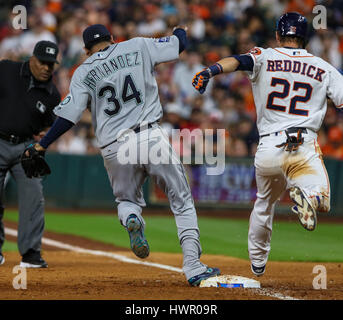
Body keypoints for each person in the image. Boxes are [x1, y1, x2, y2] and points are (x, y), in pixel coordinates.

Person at [25, 24, 220, 286]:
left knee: (126, 200)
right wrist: (180, 30)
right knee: (182, 200)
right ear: (113, 39)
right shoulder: (137, 45)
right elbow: (178, 45)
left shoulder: (83, 71)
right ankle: (194, 267)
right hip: (149, 135)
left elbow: (68, 117)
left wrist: (42, 145)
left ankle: (131, 218)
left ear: (85, 50)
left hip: (113, 147)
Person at [192, 12, 343, 277]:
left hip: (269, 148)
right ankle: (307, 196)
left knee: (264, 204)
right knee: (322, 199)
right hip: (304, 145)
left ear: (278, 35)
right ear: (305, 37)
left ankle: (258, 263)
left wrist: (210, 70)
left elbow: (236, 62)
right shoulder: (323, 67)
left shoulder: (264, 56)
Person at [0, 40, 61, 267]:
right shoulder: (6, 69)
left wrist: (43, 137)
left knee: (33, 198)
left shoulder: (52, 94)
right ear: (32, 59)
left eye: (51, 64)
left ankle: (31, 253)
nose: (46, 68)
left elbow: (50, 125)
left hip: (25, 148)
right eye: (43, 62)